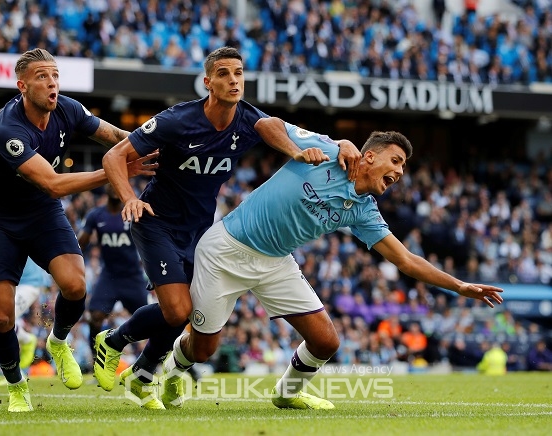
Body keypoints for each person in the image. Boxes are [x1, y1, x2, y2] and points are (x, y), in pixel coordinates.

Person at [163, 123, 504, 409]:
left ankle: (288, 394)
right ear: (369, 156)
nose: (400, 172)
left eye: (403, 167)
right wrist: (300, 149)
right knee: (203, 350)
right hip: (226, 250)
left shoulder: (363, 211)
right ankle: (175, 367)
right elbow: (266, 125)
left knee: (326, 342)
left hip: (275, 262)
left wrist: (460, 286)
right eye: (396, 161)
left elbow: (406, 260)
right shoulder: (328, 151)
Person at [94, 46, 361, 410]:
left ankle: (142, 376)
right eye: (223, 73)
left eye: (238, 72)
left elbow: (296, 133)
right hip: (154, 219)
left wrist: (342, 142)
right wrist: (128, 197)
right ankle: (112, 342)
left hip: (200, 231)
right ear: (208, 82)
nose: (233, 79)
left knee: (185, 310)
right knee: (176, 310)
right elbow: (114, 156)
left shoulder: (250, 120)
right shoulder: (177, 120)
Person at [0, 48, 157, 412]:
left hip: (41, 213)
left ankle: (58, 341)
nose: (52, 82)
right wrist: (117, 172)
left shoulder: (68, 108)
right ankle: (16, 385)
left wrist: (145, 145)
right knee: (2, 316)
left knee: (75, 285)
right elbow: (53, 183)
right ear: (22, 85)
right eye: (42, 76)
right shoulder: (8, 128)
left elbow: (114, 136)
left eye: (54, 75)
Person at [77, 184, 148, 359]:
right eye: (112, 184)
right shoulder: (96, 215)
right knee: (95, 317)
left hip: (132, 276)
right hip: (109, 275)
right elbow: (81, 243)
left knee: (150, 321)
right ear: (107, 188)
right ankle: (96, 361)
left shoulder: (132, 212)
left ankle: (154, 363)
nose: (116, 188)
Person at [0, 256, 52, 386]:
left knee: (3, 318)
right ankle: (26, 339)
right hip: (11, 283)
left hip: (29, 284)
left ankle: (16, 373)